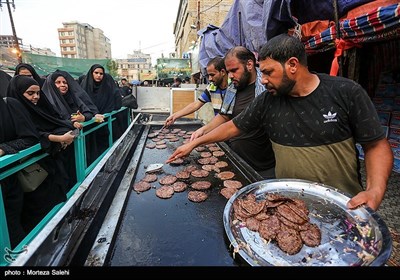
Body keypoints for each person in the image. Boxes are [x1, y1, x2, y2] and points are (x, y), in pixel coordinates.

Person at [168, 33, 393, 211]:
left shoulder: (346, 92)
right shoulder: (267, 100)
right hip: (288, 205)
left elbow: (376, 145)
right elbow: (232, 126)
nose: (263, 79)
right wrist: (194, 143)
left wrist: (375, 190)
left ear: (292, 65)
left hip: (343, 206)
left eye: (268, 72)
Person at [174, 46, 276, 179]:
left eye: (234, 70)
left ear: (249, 64)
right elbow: (224, 116)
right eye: (228, 71)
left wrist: (195, 143)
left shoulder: (267, 87)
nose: (231, 76)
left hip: (262, 165)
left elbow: (234, 127)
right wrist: (203, 130)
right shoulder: (233, 87)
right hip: (236, 159)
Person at [7, 75, 76, 231]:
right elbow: (31, 135)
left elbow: (54, 122)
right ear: (18, 93)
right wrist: (56, 137)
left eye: (38, 93)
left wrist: (67, 128)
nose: (36, 97)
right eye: (30, 93)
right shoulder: (13, 110)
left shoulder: (39, 108)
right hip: (29, 174)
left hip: (49, 168)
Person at [0, 96, 39, 248]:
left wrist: (4, 149)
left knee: (11, 229)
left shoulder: (8, 105)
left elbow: (30, 138)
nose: (35, 97)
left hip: (8, 180)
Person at [164, 57, 229, 127]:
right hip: (219, 128)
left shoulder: (233, 89)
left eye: (212, 75)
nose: (210, 79)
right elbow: (195, 105)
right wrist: (175, 116)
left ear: (222, 72)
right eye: (208, 75)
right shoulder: (211, 88)